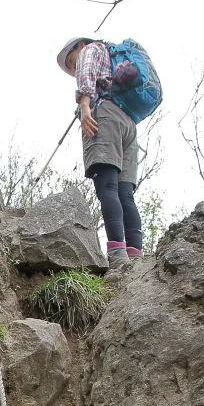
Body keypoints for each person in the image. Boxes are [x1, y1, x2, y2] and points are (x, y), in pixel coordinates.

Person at [57, 36, 143, 272]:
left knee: (108, 187)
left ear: (79, 46)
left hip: (103, 116)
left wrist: (85, 106)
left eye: (71, 60)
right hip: (128, 123)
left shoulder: (91, 49)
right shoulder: (113, 58)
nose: (72, 67)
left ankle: (117, 254)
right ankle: (136, 254)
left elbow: (85, 75)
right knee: (125, 193)